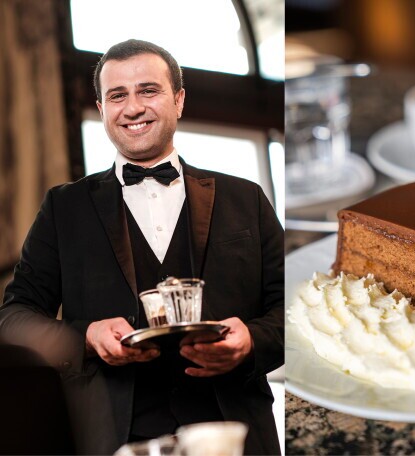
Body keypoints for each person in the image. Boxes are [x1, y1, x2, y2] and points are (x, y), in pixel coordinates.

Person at [0, 39, 283, 454]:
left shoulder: (246, 198)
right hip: (110, 439)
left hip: (234, 434)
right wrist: (87, 336)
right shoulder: (64, 207)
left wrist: (252, 340)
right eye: (118, 95)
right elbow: (13, 318)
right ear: (102, 110)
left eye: (148, 90)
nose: (133, 108)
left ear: (179, 100)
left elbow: (290, 312)